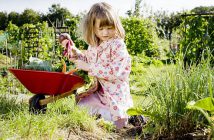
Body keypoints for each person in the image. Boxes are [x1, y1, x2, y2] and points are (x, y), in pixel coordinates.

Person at [59, 2, 133, 129]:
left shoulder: (118, 45)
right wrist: (76, 53)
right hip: (100, 93)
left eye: (109, 28)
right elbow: (89, 60)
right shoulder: (94, 45)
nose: (105, 32)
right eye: (101, 28)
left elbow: (114, 72)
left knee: (116, 120)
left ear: (116, 25)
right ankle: (101, 117)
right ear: (93, 28)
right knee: (81, 106)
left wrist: (88, 67)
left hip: (115, 94)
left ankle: (118, 118)